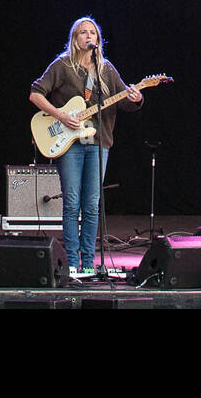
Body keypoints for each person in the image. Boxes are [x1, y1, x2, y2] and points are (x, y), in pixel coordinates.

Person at [29, 16, 142, 273]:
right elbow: (35, 92)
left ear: (98, 39)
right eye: (83, 32)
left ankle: (88, 263)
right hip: (70, 145)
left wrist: (136, 98)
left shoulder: (106, 69)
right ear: (75, 38)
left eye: (92, 33)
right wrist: (60, 115)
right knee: (72, 203)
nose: (88, 36)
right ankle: (71, 262)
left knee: (92, 204)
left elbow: (122, 102)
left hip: (98, 142)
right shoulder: (62, 65)